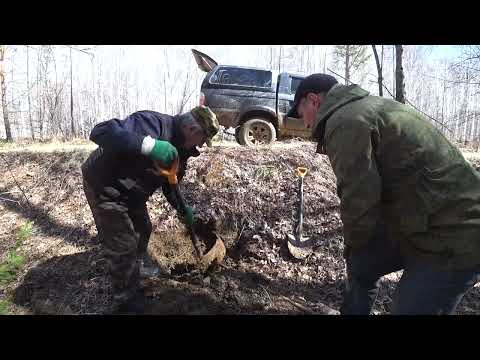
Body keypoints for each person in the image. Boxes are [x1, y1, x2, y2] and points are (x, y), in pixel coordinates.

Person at [287, 74, 480, 314]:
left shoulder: (345, 122)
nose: (304, 124)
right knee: (361, 265)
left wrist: (353, 244)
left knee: (406, 308)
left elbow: (359, 198)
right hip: (424, 219)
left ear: (313, 100)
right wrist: (357, 253)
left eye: (300, 112)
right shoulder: (366, 108)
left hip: (457, 234)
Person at [81, 105, 219, 310]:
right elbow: (100, 132)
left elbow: (171, 184)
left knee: (143, 228)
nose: (201, 145)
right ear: (192, 130)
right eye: (202, 139)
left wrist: (183, 209)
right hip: (104, 185)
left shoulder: (183, 149)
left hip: (132, 192)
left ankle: (138, 267)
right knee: (123, 245)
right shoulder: (151, 124)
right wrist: (149, 145)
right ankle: (127, 298)